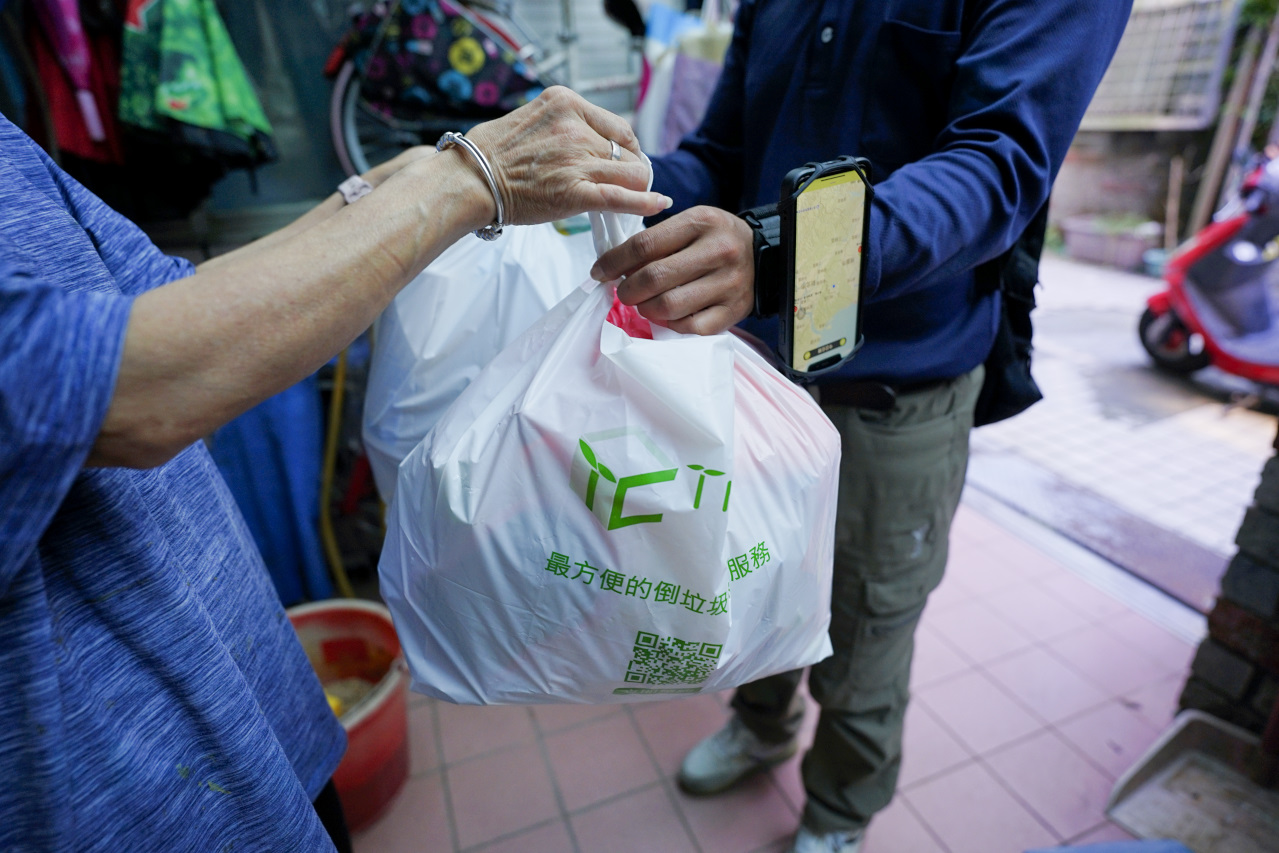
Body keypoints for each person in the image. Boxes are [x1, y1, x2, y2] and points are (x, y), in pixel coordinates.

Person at [0, 87, 668, 852]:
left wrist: (394, 185)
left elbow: (159, 298)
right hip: (117, 802)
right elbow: (121, 391)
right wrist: (469, 181)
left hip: (257, 728)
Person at [591, 2, 1132, 851]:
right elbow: (722, 153)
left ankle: (841, 810)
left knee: (867, 630)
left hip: (896, 391)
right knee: (751, 578)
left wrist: (785, 252)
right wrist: (612, 189)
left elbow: (997, 163)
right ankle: (761, 723)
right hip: (764, 372)